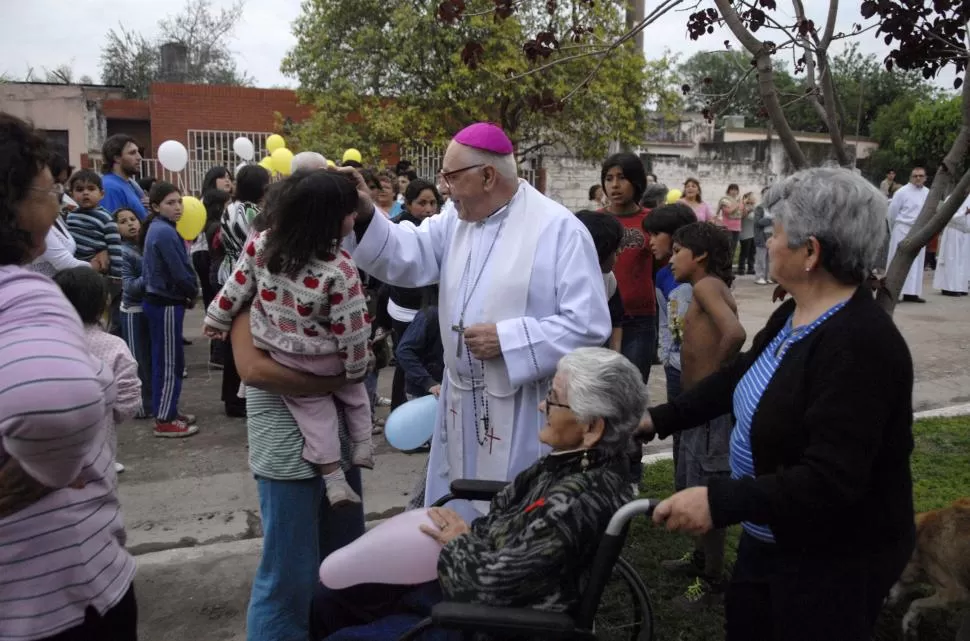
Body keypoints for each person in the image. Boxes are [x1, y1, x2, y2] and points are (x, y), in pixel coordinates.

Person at [640, 168, 915, 640]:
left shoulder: (862, 344)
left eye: (777, 232)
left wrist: (719, 500)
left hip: (830, 560)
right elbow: (738, 377)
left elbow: (829, 480)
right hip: (771, 534)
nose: (766, 242)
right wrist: (656, 419)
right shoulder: (796, 310)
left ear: (811, 252)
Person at [346, 122, 610, 520]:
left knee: (506, 514)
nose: (445, 189)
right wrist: (366, 212)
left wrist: (510, 339)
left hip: (520, 407)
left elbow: (588, 325)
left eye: (451, 177)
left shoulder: (558, 231)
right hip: (458, 397)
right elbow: (410, 251)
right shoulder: (457, 218)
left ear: (487, 176)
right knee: (455, 500)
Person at [311, 347, 645, 641]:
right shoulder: (573, 463)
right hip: (472, 572)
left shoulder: (575, 501)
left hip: (487, 622)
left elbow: (487, 588)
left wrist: (458, 539)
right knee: (331, 597)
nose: (543, 405)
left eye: (555, 398)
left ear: (592, 428)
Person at [0, 111, 137, 641]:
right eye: (48, 190)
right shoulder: (26, 293)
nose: (57, 202)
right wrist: (48, 472)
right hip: (53, 595)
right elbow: (57, 404)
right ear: (13, 205)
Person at [204, 170, 374, 507]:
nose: (356, 217)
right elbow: (352, 326)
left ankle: (333, 478)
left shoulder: (263, 243)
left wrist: (216, 317)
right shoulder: (341, 268)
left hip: (282, 352)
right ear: (330, 220)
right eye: (351, 213)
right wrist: (358, 366)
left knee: (315, 414)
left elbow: (236, 285)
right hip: (326, 358)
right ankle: (363, 445)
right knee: (354, 394)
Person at [230, 310, 366, 641]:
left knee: (344, 564)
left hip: (340, 451)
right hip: (286, 457)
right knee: (288, 579)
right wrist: (333, 379)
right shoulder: (252, 289)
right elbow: (254, 370)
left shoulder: (333, 280)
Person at [657, 221, 747, 607]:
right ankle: (699, 559)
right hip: (699, 412)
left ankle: (712, 581)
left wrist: (717, 380)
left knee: (709, 490)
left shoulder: (707, 285)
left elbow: (736, 333)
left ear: (701, 256)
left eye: (678, 250)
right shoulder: (699, 288)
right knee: (695, 482)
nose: (672, 257)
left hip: (712, 414)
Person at [54, 266, 142, 473]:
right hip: (99, 457)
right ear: (103, 303)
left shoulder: (42, 343)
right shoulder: (114, 346)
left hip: (43, 458)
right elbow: (129, 402)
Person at [642, 203, 697, 484]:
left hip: (694, 368)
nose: (650, 242)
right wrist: (665, 353)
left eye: (656, 234)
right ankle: (681, 485)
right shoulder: (662, 274)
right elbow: (665, 319)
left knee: (694, 431)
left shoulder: (692, 279)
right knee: (678, 428)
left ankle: (692, 486)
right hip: (674, 366)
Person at [141, 181, 200, 437]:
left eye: (179, 202)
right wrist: (191, 291)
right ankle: (164, 418)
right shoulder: (163, 232)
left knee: (171, 359)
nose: (177, 208)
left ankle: (169, 409)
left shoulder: (163, 229)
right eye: (170, 203)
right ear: (155, 206)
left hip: (166, 302)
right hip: (164, 302)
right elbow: (178, 271)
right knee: (167, 362)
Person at [218, 164, 272, 418]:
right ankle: (237, 397)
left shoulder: (230, 207)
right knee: (243, 338)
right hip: (244, 275)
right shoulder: (253, 212)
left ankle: (230, 395)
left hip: (228, 270)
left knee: (232, 337)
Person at [600, 152, 657, 384]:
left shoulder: (653, 221)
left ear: (636, 181)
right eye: (609, 178)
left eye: (622, 177)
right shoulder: (592, 222)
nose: (615, 185)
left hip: (640, 321)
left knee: (632, 390)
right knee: (599, 392)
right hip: (600, 319)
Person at [387, 179, 443, 409]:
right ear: (408, 204)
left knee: (427, 360)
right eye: (422, 203)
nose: (428, 209)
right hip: (406, 309)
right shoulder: (398, 228)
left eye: (432, 203)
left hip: (428, 307)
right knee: (407, 360)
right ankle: (401, 408)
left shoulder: (438, 228)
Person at [116, 207, 153, 419]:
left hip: (148, 308)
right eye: (123, 221)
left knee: (148, 358)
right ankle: (140, 406)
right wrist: (152, 272)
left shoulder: (142, 247)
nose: (130, 224)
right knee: (137, 360)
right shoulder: (122, 252)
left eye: (133, 219)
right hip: (133, 310)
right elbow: (129, 287)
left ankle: (150, 402)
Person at [575, 210, 625, 352]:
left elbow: (616, 320)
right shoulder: (557, 280)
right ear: (599, 248)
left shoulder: (608, 280)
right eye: (616, 248)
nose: (620, 251)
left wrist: (614, 356)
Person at [887, 166, 930, 303]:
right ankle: (894, 293)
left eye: (921, 176)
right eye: (915, 176)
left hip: (919, 230)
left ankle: (912, 293)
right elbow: (892, 213)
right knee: (898, 260)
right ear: (910, 177)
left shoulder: (928, 193)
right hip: (902, 228)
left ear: (925, 178)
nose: (918, 178)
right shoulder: (902, 192)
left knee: (916, 262)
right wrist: (895, 228)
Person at [100, 134, 147, 220]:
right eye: (132, 153)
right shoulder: (109, 187)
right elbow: (112, 225)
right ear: (117, 158)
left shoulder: (130, 184)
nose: (139, 157)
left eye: (138, 152)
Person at [932, 192, 970, 296]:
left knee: (963, 262)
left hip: (966, 233)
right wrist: (964, 213)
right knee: (951, 260)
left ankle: (961, 286)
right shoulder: (952, 197)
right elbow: (946, 215)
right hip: (954, 231)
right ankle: (949, 287)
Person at [716, 184, 744, 263]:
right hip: (727, 227)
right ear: (728, 191)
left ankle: (729, 268)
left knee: (733, 249)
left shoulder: (739, 201)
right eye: (732, 189)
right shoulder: (724, 200)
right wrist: (738, 204)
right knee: (726, 248)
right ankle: (723, 267)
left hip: (737, 228)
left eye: (736, 190)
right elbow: (728, 211)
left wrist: (743, 204)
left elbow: (741, 214)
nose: (734, 192)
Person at [752, 187, 774, 285]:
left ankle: (768, 276)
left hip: (773, 235)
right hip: (762, 235)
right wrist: (771, 220)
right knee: (761, 257)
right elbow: (758, 222)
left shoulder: (775, 207)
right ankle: (759, 276)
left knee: (770, 258)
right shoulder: (760, 208)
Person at [737, 191, 757, 275]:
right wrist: (744, 204)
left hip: (754, 233)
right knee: (744, 252)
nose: (754, 198)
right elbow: (741, 216)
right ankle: (741, 269)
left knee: (752, 252)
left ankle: (751, 268)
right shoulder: (743, 207)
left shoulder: (755, 207)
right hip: (745, 234)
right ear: (747, 198)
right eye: (752, 197)